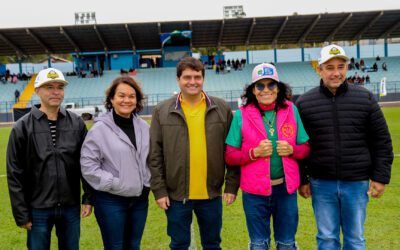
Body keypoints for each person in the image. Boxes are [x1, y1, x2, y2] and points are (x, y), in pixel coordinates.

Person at [296, 44, 393, 250]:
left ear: (347, 68)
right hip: (321, 183)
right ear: (319, 69)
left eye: (341, 66)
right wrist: (303, 180)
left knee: (355, 238)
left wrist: (380, 177)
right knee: (326, 237)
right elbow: (300, 147)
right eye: (330, 67)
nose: (336, 72)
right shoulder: (304, 103)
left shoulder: (365, 98)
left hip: (356, 182)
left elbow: (382, 141)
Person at [149, 57, 240, 250]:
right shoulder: (162, 110)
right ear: (178, 79)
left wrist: (231, 185)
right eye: (187, 77)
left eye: (197, 77)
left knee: (212, 244)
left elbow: (232, 150)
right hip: (176, 195)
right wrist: (159, 190)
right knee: (179, 244)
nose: (192, 81)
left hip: (211, 194)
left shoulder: (221, 108)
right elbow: (155, 154)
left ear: (203, 79)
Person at [225, 63, 310, 249]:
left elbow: (305, 148)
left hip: (285, 191)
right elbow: (230, 156)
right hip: (254, 193)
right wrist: (253, 153)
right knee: (258, 244)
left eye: (271, 85)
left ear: (278, 88)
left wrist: (292, 150)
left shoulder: (291, 110)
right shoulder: (241, 115)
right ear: (253, 90)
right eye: (260, 85)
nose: (266, 90)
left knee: (287, 244)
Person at [7, 68, 93, 250]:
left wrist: (88, 197)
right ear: (37, 90)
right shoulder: (22, 127)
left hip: (70, 206)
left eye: (60, 87)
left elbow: (87, 164)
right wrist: (21, 212)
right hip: (37, 208)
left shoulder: (76, 123)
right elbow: (15, 173)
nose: (55, 91)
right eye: (49, 87)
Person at [80, 76, 150, 249]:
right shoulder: (99, 130)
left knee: (134, 245)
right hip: (111, 200)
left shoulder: (144, 127)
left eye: (131, 96)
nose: (127, 100)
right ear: (111, 99)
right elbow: (88, 167)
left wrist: (147, 181)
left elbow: (151, 159)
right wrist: (115, 183)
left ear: (137, 100)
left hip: (140, 199)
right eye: (121, 95)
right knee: (115, 246)